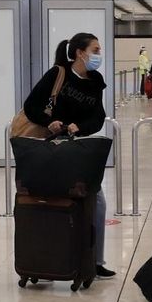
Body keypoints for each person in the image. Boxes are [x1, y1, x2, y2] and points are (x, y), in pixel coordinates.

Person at [22, 32, 116, 279]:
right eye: (95, 50)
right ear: (79, 53)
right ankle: (44, 260)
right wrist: (50, 122)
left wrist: (79, 127)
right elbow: (31, 106)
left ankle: (95, 261)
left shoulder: (95, 81)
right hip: (49, 148)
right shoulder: (58, 74)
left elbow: (97, 118)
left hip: (77, 148)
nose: (98, 55)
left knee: (97, 202)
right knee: (49, 201)